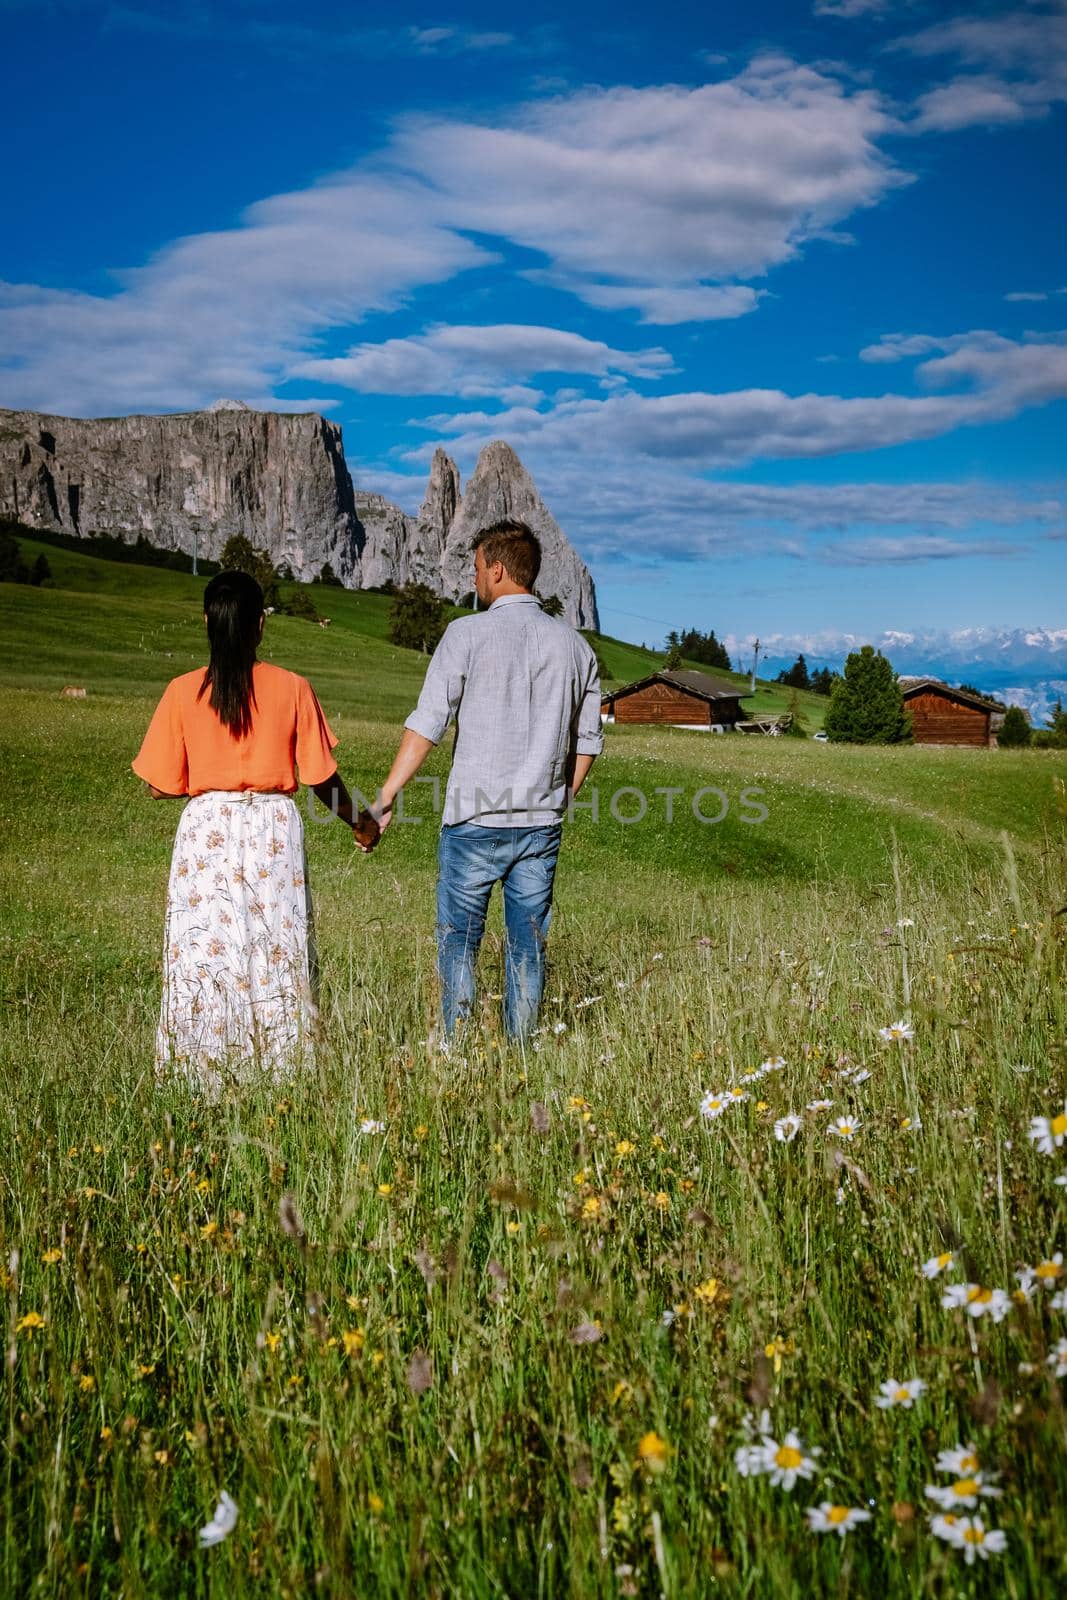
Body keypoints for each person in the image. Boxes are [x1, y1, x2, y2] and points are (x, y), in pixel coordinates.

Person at [132, 570, 376, 1090]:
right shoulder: (292, 688)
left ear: (206, 622)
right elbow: (321, 778)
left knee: (204, 949)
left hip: (207, 829)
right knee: (275, 946)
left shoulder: (181, 692)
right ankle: (284, 1070)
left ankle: (199, 1068)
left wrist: (211, 780)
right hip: (272, 828)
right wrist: (361, 823)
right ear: (261, 625)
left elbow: (158, 785)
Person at [375, 520, 602, 1041]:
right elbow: (587, 741)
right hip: (540, 824)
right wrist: (562, 797)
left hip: (474, 820)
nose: (475, 578)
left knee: (460, 943)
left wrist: (387, 795)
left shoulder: (465, 634)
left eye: (477, 568)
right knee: (527, 943)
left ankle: (456, 1048)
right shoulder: (575, 648)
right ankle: (519, 1053)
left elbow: (429, 721)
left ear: (497, 569)